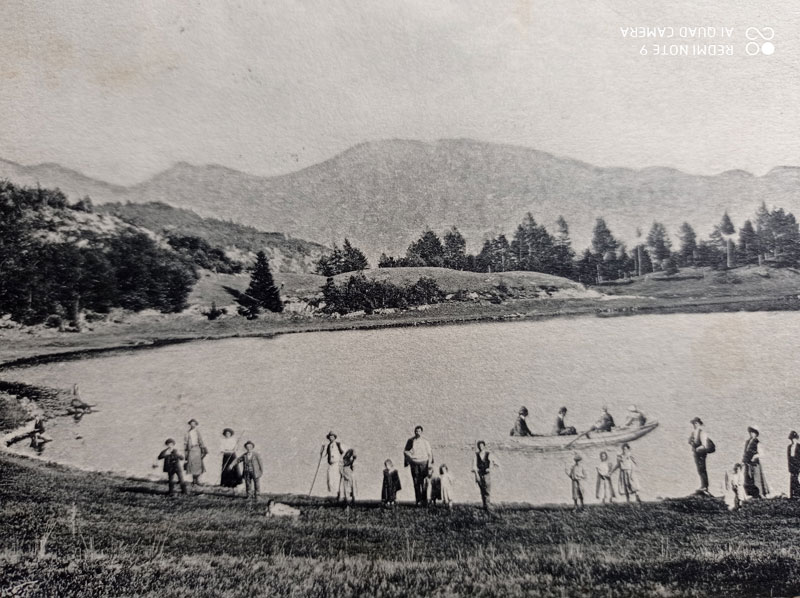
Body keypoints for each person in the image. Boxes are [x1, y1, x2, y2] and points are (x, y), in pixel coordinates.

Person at [404, 425, 434, 506]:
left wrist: (430, 465)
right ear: (414, 432)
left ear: (422, 432)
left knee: (424, 482)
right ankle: (418, 500)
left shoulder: (425, 442)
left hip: (424, 463)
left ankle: (424, 500)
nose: (418, 433)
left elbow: (430, 454)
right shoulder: (411, 441)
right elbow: (405, 451)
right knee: (416, 482)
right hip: (414, 464)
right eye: (416, 431)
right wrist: (410, 458)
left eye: (419, 431)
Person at [742, 426, 770, 499]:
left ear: (756, 434)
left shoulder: (757, 442)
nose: (751, 433)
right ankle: (752, 495)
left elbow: (762, 453)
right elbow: (746, 452)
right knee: (749, 478)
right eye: (751, 432)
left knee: (757, 479)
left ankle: (760, 494)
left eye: (753, 432)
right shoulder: (748, 442)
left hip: (755, 464)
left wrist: (754, 457)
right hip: (748, 464)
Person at [472, 440, 498, 511]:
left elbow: (496, 463)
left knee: (487, 490)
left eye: (482, 446)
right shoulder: (476, 455)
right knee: (482, 490)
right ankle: (484, 505)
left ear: (484, 446)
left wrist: (490, 468)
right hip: (479, 474)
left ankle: (488, 506)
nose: (481, 447)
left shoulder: (488, 454)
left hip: (486, 474)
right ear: (478, 447)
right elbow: (474, 466)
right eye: (479, 446)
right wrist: (476, 475)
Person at [688, 417, 712, 495]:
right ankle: (703, 485)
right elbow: (690, 441)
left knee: (702, 469)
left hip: (701, 453)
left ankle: (705, 486)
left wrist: (698, 448)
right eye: (693, 423)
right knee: (699, 469)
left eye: (696, 423)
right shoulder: (693, 433)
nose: (694, 425)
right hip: (696, 453)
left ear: (699, 424)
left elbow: (704, 445)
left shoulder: (702, 433)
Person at [321, 431, 344, 498]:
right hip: (330, 464)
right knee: (330, 479)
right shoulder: (328, 446)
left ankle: (338, 495)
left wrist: (341, 461)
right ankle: (332, 495)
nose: (331, 438)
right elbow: (323, 455)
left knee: (336, 479)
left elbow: (343, 452)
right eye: (330, 437)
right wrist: (322, 448)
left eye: (332, 436)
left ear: (334, 437)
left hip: (336, 464)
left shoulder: (338, 444)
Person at [184, 419, 207, 486]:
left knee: (198, 465)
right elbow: (185, 442)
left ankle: (197, 480)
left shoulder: (197, 432)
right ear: (190, 424)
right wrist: (186, 450)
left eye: (194, 423)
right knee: (192, 465)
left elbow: (200, 440)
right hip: (190, 449)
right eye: (191, 423)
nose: (192, 425)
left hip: (197, 449)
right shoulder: (188, 432)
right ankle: (193, 481)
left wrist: (203, 448)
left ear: (196, 424)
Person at [788, 431, 800, 499]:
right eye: (792, 439)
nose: (793, 440)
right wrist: (789, 467)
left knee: (796, 479)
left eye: (794, 438)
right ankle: (792, 495)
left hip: (797, 465)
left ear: (797, 439)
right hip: (792, 465)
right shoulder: (789, 447)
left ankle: (797, 494)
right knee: (792, 479)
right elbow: (789, 458)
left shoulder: (799, 447)